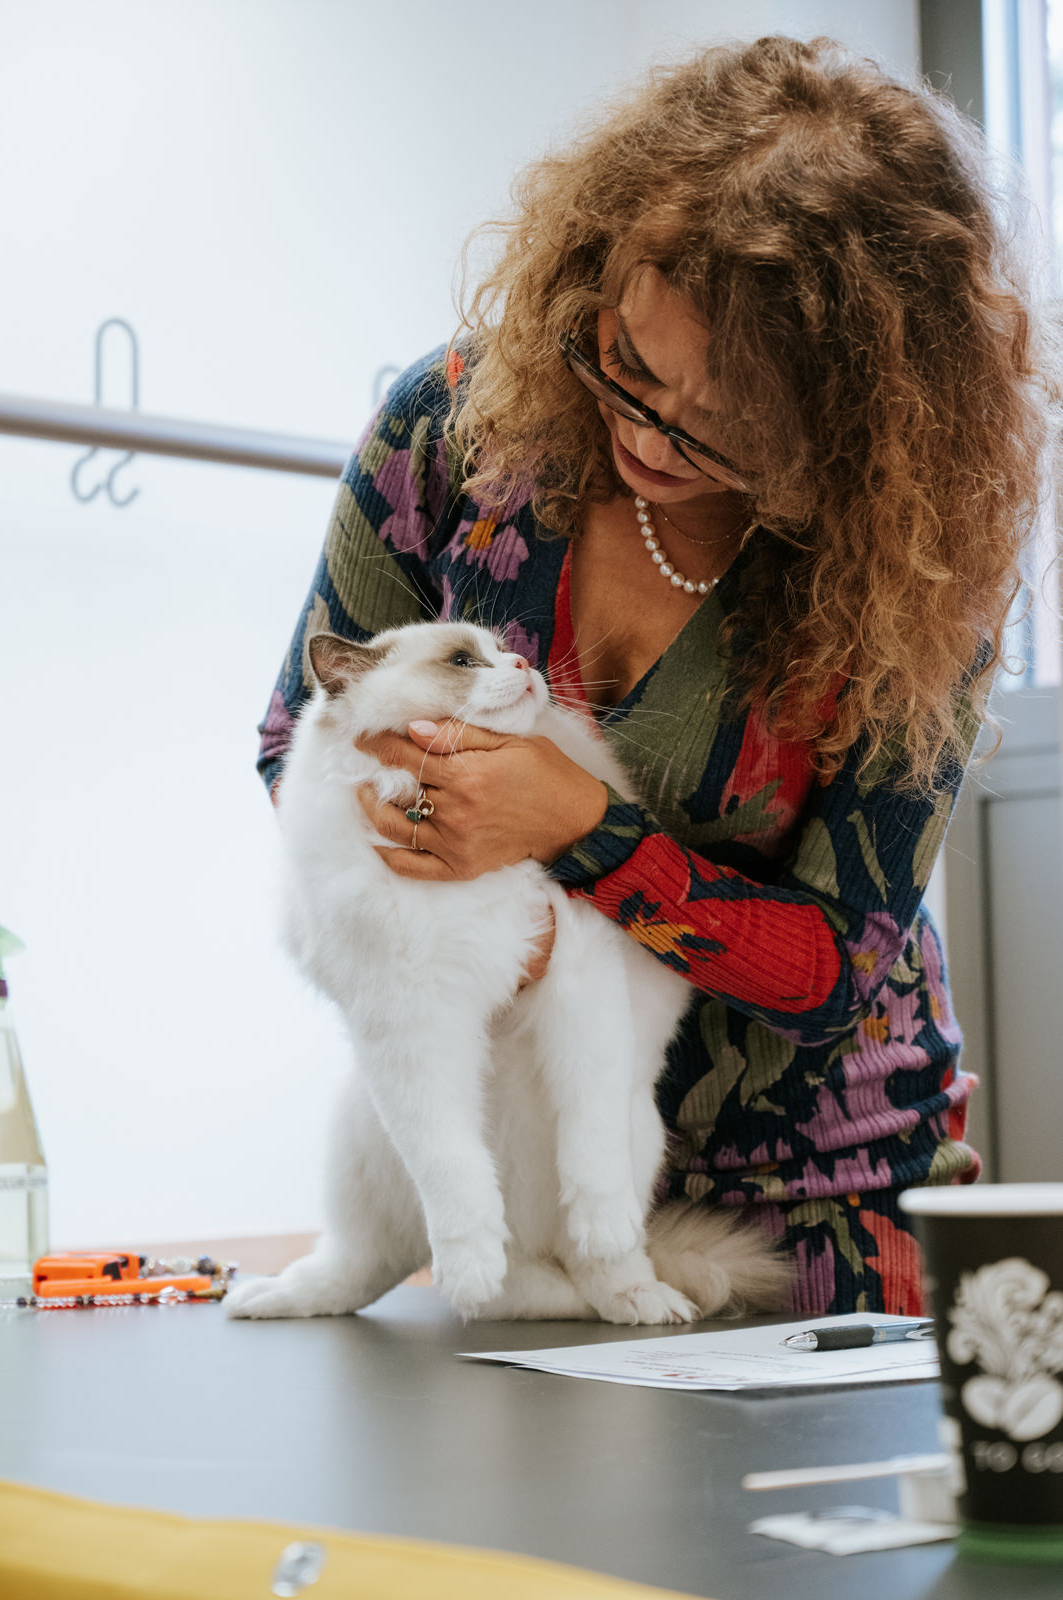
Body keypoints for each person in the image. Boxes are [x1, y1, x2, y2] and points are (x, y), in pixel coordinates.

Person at [257, 36, 1054, 1316]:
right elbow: (303, 740)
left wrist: (574, 825)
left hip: (818, 1197)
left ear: (847, 420)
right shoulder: (452, 428)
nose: (645, 434)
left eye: (723, 424)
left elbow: (833, 966)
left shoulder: (912, 566)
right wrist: (478, 919)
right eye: (625, 361)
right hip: (523, 1171)